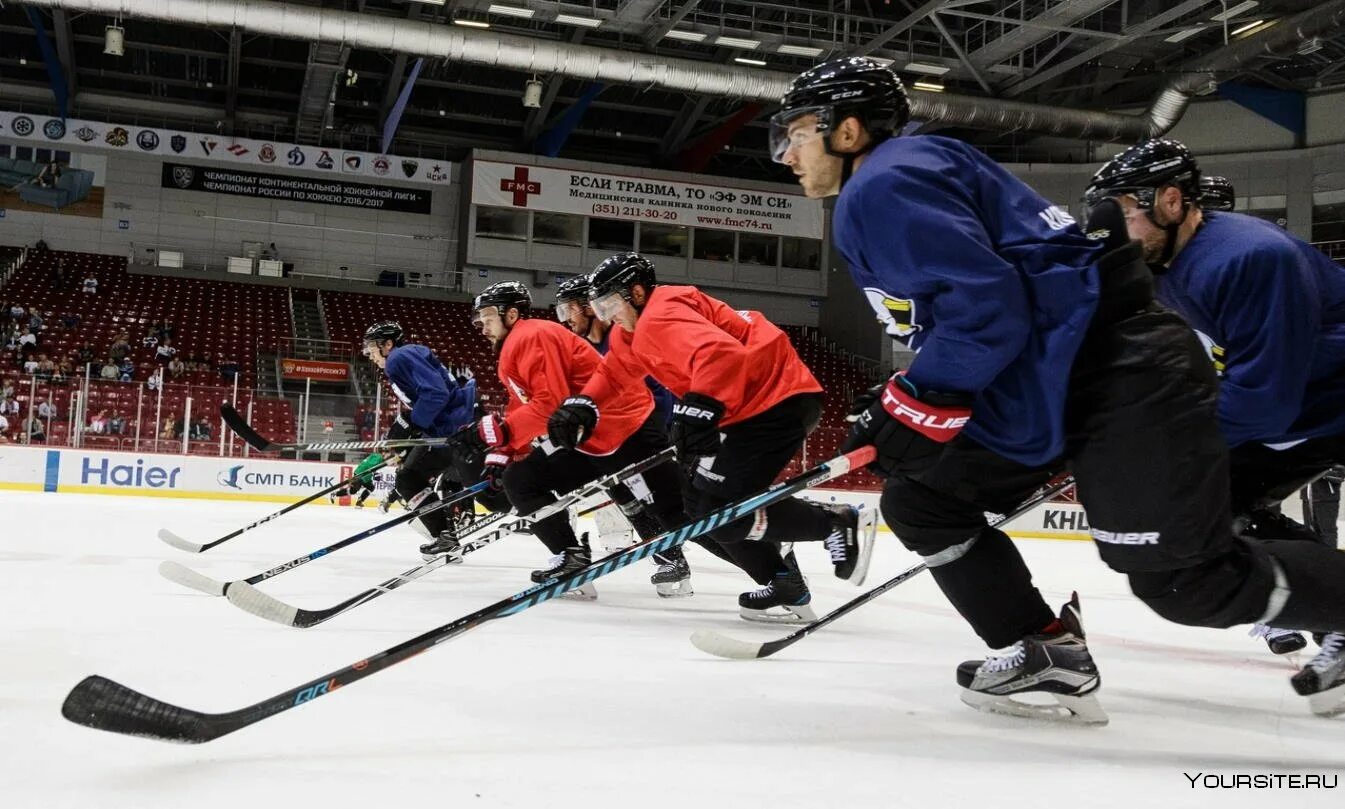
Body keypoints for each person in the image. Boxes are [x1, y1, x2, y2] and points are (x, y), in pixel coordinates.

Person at [771, 56, 1345, 721]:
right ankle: (1043, 651)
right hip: (1057, 379)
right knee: (924, 499)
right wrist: (909, 393)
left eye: (795, 132)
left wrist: (917, 398)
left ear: (846, 130)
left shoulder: (885, 183)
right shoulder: (917, 167)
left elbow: (986, 311)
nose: (785, 153)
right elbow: (991, 305)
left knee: (1185, 582)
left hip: (1114, 377)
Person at [1085, 139, 1345, 664]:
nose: (1116, 230)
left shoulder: (1249, 258)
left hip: (1313, 408)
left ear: (1172, 201)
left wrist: (1157, 439)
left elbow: (1263, 402)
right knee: (1208, 506)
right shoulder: (1156, 266)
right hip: (1310, 411)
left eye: (1127, 213)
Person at [570, 254, 875, 620]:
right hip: (749, 408)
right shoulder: (632, 331)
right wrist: (585, 403)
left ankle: (835, 522)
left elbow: (721, 354)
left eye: (610, 304)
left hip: (776, 401)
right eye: (600, 307)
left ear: (636, 292)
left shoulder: (660, 315)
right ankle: (783, 579)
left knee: (720, 515)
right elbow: (617, 373)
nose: (607, 316)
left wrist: (698, 407)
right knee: (703, 510)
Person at [460, 281, 695, 600]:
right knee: (524, 478)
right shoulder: (519, 344)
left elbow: (549, 403)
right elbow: (528, 405)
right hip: (591, 436)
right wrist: (506, 451)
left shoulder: (534, 335)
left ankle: (772, 565)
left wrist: (499, 435)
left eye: (487, 317)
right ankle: (571, 560)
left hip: (628, 426)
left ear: (512, 314)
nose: (481, 326)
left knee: (680, 508)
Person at [552, 273, 679, 556]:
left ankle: (771, 548)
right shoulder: (583, 348)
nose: (565, 319)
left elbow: (659, 392)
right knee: (622, 493)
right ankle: (666, 557)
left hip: (648, 430)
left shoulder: (623, 338)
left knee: (668, 506)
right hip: (618, 438)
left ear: (589, 307)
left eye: (568, 309)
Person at [361, 321, 481, 557]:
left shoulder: (398, 357)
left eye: (373, 348)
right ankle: (445, 536)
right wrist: (409, 429)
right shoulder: (408, 354)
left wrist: (412, 426)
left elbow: (436, 394)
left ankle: (444, 535)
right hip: (451, 425)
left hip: (453, 428)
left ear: (388, 344)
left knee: (409, 478)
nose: (371, 354)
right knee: (409, 476)